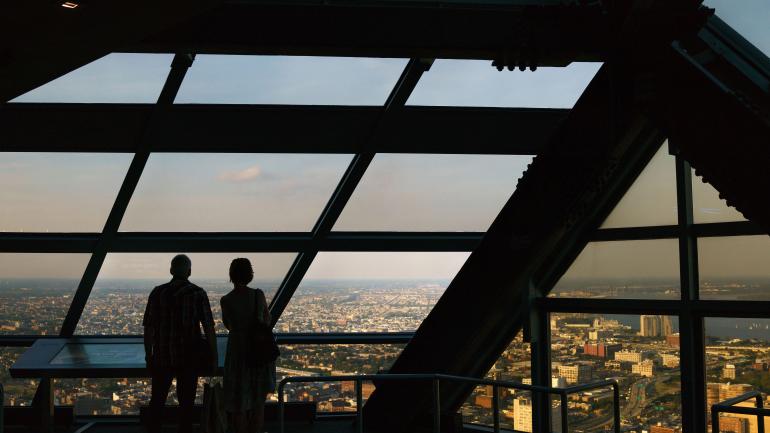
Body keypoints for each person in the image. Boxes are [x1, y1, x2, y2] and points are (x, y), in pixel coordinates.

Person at [143, 254, 218, 433]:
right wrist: (214, 357)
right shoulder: (197, 293)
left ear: (171, 271)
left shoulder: (157, 292)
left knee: (158, 401)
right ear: (189, 272)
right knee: (186, 405)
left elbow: (149, 328)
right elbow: (208, 328)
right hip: (189, 357)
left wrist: (149, 355)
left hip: (162, 356)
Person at [221, 258, 276, 433]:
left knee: (239, 403)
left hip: (238, 352)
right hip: (258, 351)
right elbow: (267, 321)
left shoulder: (226, 300)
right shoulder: (257, 295)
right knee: (258, 402)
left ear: (231, 275)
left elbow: (229, 325)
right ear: (250, 274)